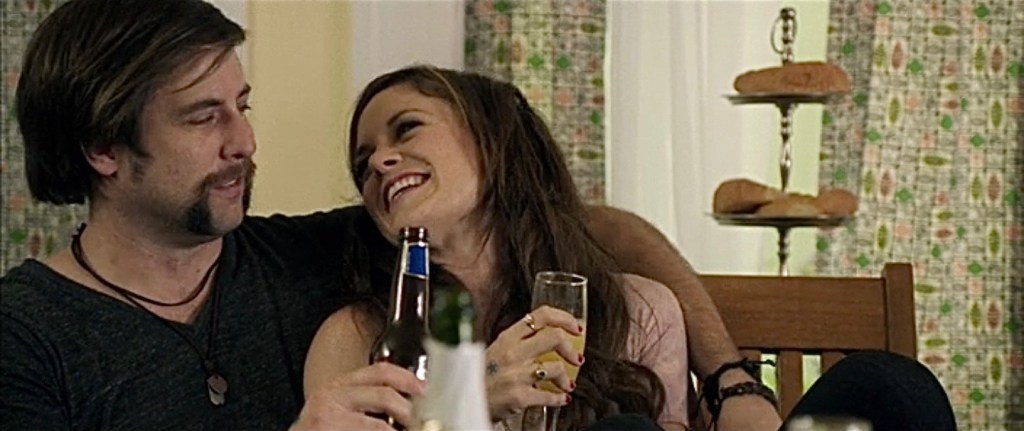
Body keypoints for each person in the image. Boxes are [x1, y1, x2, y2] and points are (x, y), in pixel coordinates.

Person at [0, 0, 954, 430]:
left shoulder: (304, 250)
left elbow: (604, 228)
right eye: (204, 117)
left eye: (242, 106)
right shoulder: (26, 334)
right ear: (103, 148)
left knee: (890, 389)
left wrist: (733, 378)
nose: (245, 141)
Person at [303, 66, 689, 431]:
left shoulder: (638, 313)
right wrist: (470, 401)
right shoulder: (357, 338)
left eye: (407, 129)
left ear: (493, 140)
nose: (377, 162)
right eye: (363, 164)